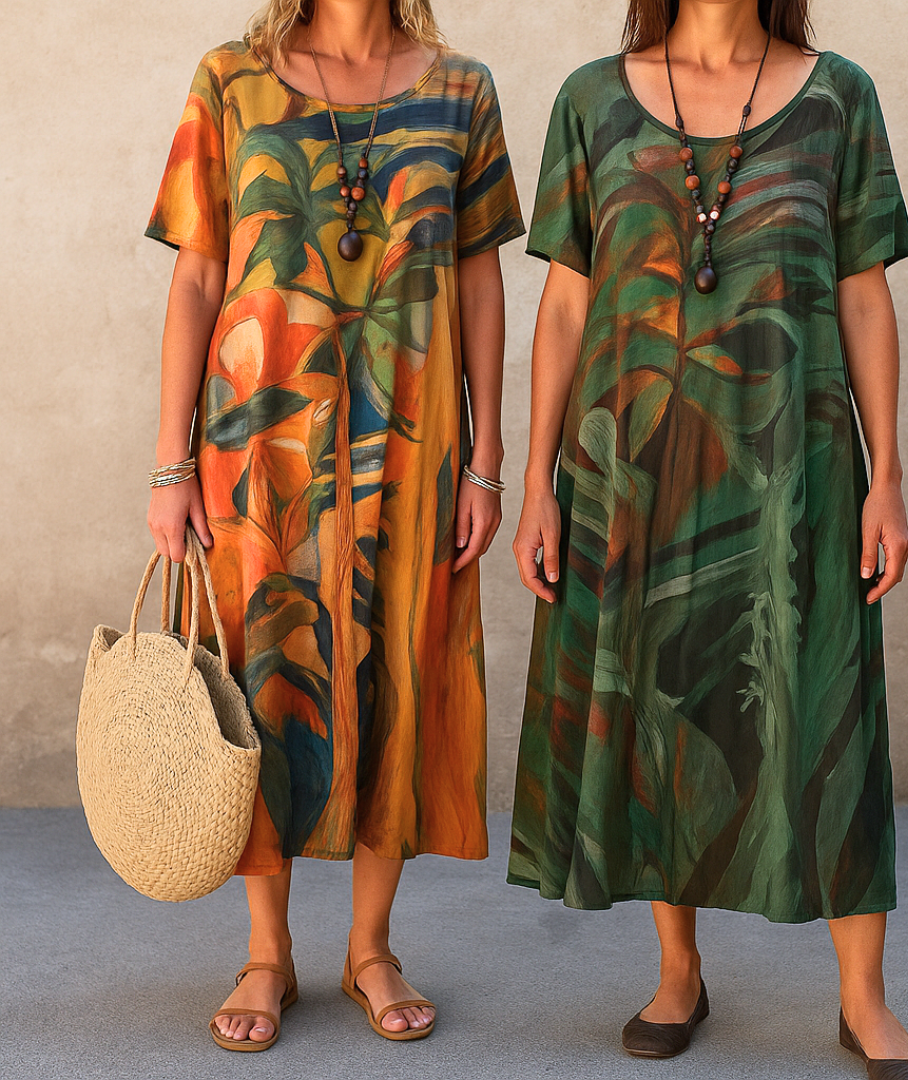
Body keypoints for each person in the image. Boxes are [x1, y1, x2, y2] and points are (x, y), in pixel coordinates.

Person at [509, 0, 908, 1075]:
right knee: (665, 701)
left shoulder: (838, 97)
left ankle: (863, 999)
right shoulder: (591, 101)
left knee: (832, 712)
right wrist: (537, 481)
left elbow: (864, 296)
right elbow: (565, 306)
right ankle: (678, 971)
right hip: (635, 473)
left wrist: (887, 475)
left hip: (797, 471)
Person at [145, 0, 523, 1051]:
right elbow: (199, 274)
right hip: (259, 443)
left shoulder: (462, 89)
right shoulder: (231, 78)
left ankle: (370, 946)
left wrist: (486, 459)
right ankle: (267, 953)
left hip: (414, 444)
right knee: (262, 680)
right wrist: (171, 461)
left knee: (399, 668)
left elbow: (479, 277)